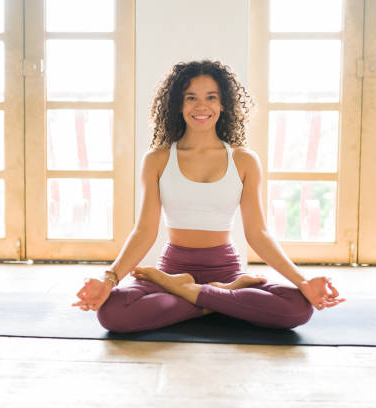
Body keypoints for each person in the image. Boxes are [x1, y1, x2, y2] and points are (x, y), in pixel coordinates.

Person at [72, 60, 345, 333]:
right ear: (178, 105)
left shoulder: (244, 160)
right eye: (191, 98)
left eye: (211, 97)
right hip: (172, 269)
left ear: (223, 104)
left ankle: (187, 292)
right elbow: (144, 231)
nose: (201, 106)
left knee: (296, 307)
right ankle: (220, 298)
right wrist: (109, 280)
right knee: (113, 314)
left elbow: (258, 233)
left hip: (226, 271)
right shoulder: (157, 159)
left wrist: (303, 282)